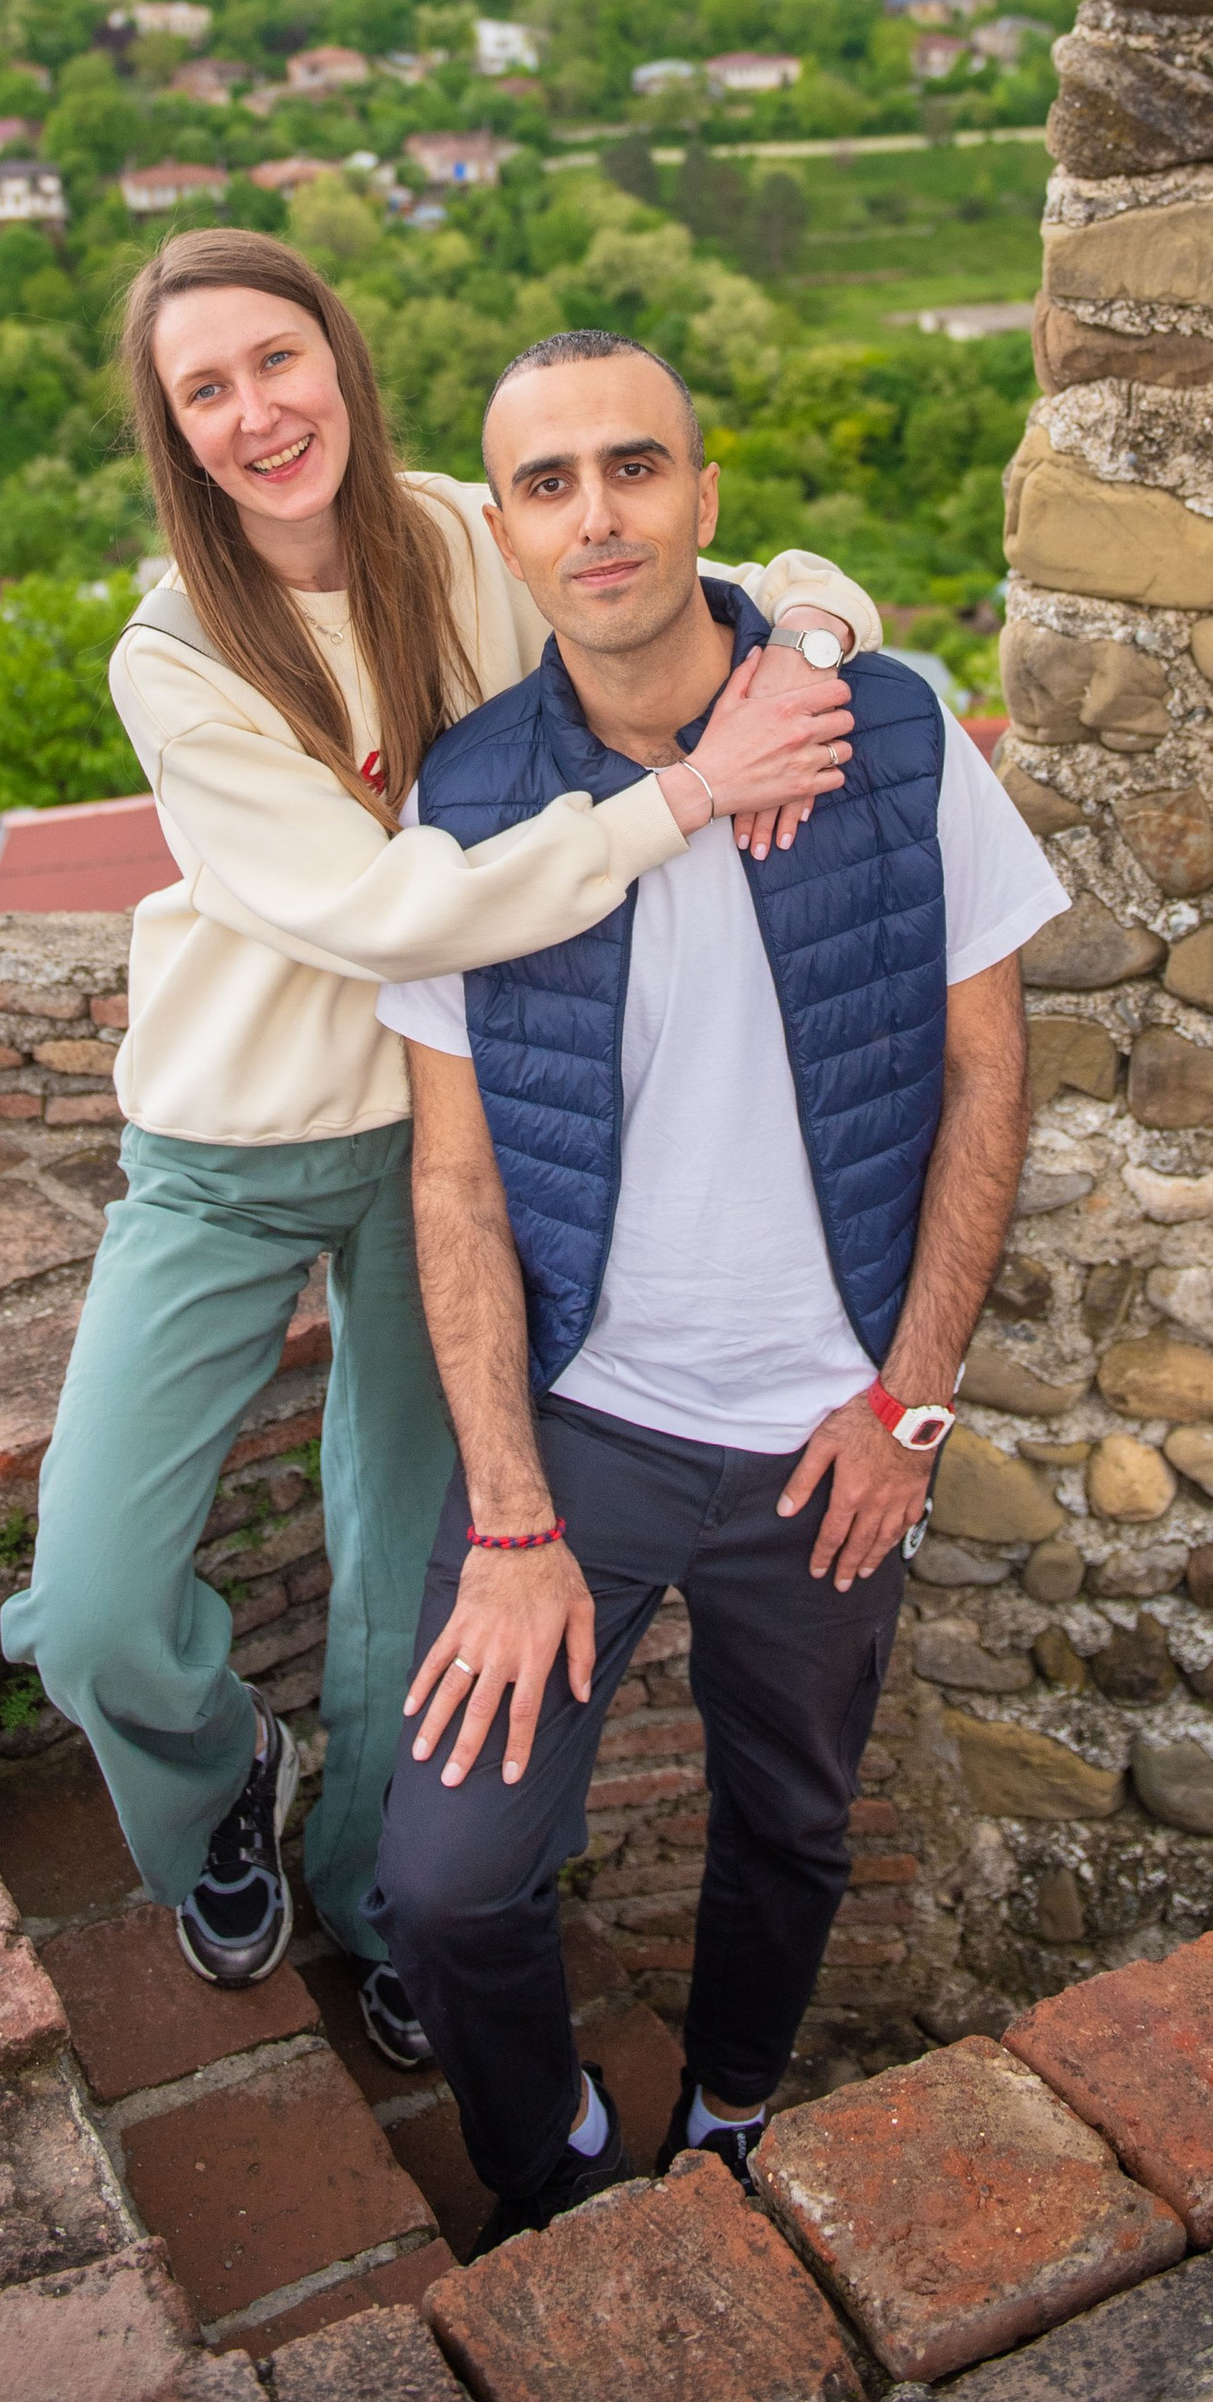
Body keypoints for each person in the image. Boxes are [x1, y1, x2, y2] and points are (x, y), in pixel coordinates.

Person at [0, 227, 881, 2074]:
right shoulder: (174, 654)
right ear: (175, 432)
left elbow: (762, 573)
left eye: (278, 360)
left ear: (341, 358)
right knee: (86, 1596)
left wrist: (804, 649)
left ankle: (392, 1894)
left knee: (423, 1555)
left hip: (443, 1136)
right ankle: (214, 1781)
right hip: (231, 1140)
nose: (258, 412)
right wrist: (686, 800)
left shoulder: (464, 532)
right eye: (206, 390)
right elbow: (389, 911)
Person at [367, 325, 1065, 2238]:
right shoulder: (472, 802)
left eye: (634, 466)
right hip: (584, 1432)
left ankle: (737, 2113)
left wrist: (911, 1399)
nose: (598, 516)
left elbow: (991, 1073)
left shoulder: (892, 727)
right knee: (444, 1876)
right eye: (547, 483)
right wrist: (508, 1512)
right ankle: (553, 2159)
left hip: (827, 1433)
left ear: (703, 493)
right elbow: (454, 1176)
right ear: (505, 536)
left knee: (795, 1823)